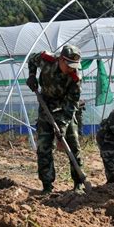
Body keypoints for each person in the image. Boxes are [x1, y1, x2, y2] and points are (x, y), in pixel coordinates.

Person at [26, 45, 84, 194]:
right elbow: (31, 60)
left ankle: (79, 183)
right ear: (61, 60)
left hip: (64, 107)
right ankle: (47, 185)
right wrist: (32, 75)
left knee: (72, 145)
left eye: (74, 66)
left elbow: (72, 104)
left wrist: (62, 126)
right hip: (46, 105)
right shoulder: (46, 59)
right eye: (69, 65)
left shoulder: (75, 78)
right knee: (44, 146)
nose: (72, 69)